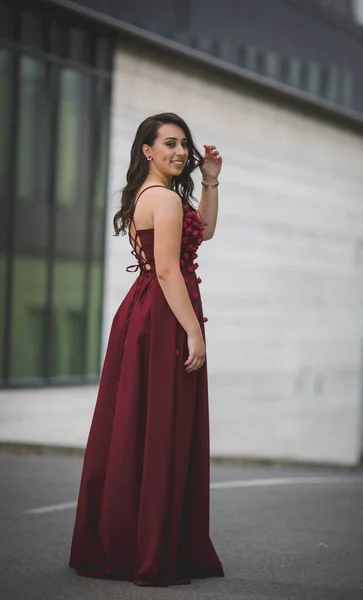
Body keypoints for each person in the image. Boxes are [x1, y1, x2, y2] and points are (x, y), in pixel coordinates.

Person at [69, 112, 224, 587]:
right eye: (170, 144)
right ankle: (151, 546)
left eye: (185, 145)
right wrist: (194, 332)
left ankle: (133, 538)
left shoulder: (154, 195)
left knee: (139, 426)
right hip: (164, 317)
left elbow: (208, 232)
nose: (181, 152)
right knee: (161, 427)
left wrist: (211, 182)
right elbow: (167, 272)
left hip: (145, 315)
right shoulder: (165, 200)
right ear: (148, 151)